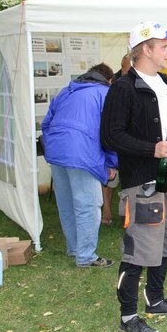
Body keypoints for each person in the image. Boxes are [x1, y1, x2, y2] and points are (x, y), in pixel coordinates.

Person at [101, 21, 167, 332]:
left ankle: (155, 299)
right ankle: (128, 316)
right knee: (138, 250)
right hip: (142, 182)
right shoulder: (123, 88)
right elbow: (110, 136)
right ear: (145, 50)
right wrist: (150, 149)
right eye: (164, 47)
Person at [41, 63, 117, 268]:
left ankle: (74, 248)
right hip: (81, 153)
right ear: (109, 80)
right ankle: (86, 256)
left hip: (57, 151)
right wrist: (111, 163)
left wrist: (52, 146)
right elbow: (109, 132)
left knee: (66, 203)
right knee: (88, 204)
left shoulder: (66, 91)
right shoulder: (104, 93)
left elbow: (46, 124)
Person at [102, 54, 131, 225]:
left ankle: (126, 212)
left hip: (131, 140)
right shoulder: (113, 84)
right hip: (115, 139)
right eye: (126, 70)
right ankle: (106, 211)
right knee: (110, 179)